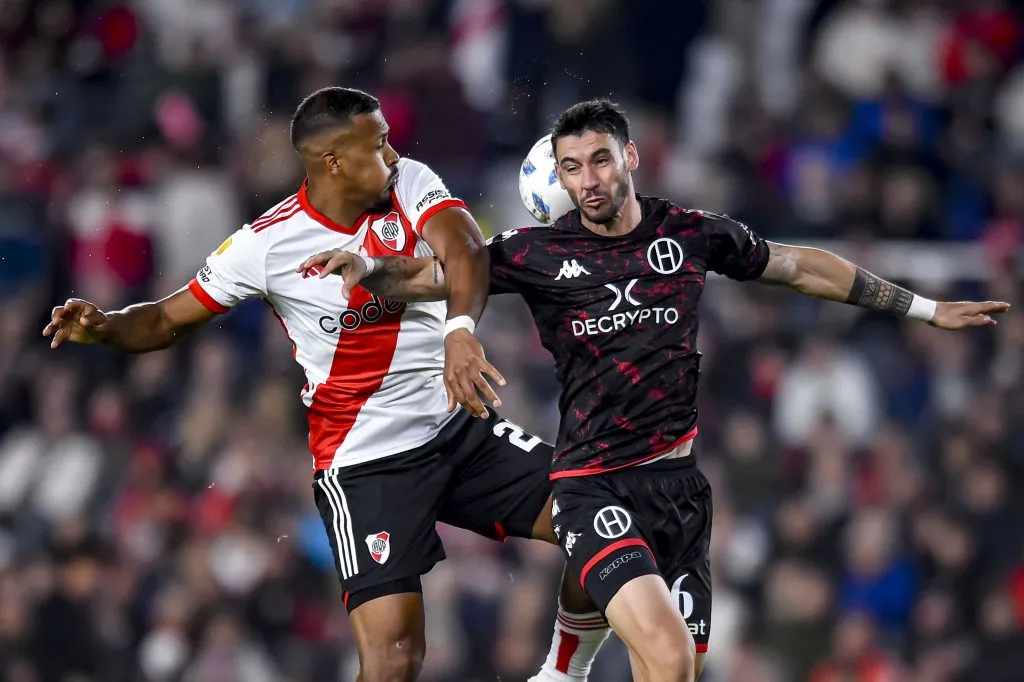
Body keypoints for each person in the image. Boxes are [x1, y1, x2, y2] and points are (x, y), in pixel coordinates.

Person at [297, 98, 1011, 682]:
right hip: (592, 485)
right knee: (667, 661)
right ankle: (562, 669)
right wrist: (370, 267)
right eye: (571, 168)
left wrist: (923, 308)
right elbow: (432, 275)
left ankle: (560, 672)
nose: (589, 180)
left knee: (676, 670)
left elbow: (798, 267)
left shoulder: (691, 234)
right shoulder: (536, 252)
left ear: (630, 158)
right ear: (560, 180)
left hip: (680, 492)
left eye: (601, 160)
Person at [42, 87, 611, 682]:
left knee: (602, 517)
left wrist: (460, 330)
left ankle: (562, 676)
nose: (392, 154)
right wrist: (106, 328)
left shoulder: (408, 182)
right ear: (334, 160)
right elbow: (164, 318)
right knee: (394, 661)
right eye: (378, 144)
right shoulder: (267, 244)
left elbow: (468, 250)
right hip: (367, 462)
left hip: (459, 428)